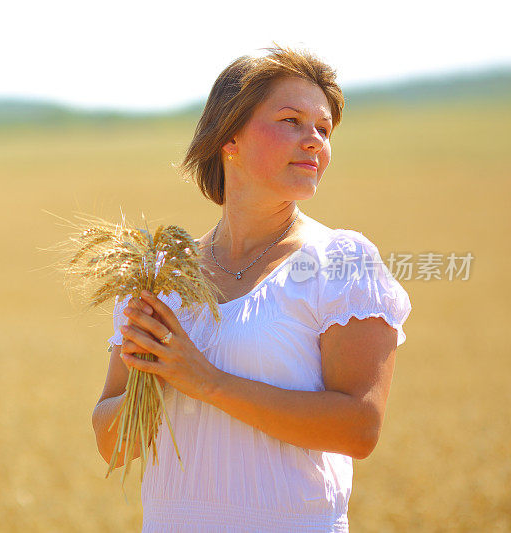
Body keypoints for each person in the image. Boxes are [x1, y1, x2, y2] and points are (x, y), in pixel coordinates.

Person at [91, 43, 412, 532]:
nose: (314, 141)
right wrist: (149, 375)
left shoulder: (341, 261)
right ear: (229, 138)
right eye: (291, 120)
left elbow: (359, 429)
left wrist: (206, 382)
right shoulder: (161, 276)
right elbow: (112, 445)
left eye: (323, 129)